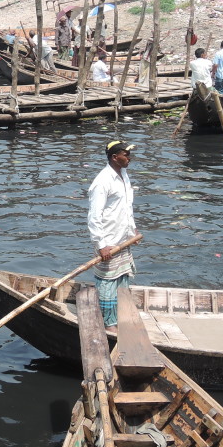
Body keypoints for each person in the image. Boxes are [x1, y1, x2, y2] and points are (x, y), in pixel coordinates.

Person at [87, 140, 138, 326]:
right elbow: (94, 216)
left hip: (123, 239)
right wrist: (101, 245)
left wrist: (132, 230)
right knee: (107, 282)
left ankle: (120, 317)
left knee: (122, 279)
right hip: (108, 241)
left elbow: (126, 207)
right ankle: (108, 323)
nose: (129, 158)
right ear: (114, 157)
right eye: (126, 154)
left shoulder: (124, 175)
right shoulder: (102, 182)